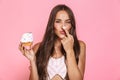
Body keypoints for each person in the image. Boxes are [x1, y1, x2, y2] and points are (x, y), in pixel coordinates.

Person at [19, 4, 86, 80]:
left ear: (71, 25)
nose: (63, 26)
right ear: (52, 24)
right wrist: (32, 61)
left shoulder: (80, 46)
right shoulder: (38, 48)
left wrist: (69, 50)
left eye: (67, 22)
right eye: (58, 22)